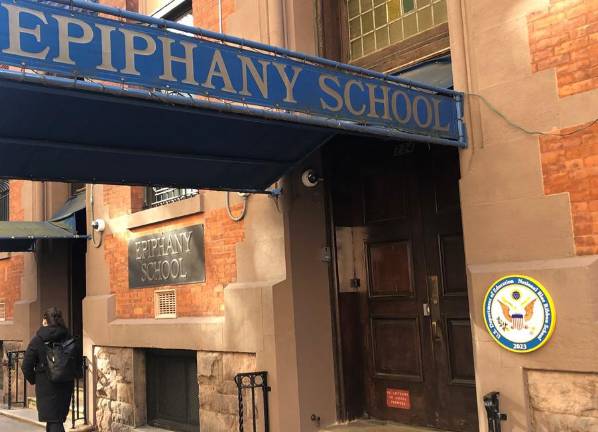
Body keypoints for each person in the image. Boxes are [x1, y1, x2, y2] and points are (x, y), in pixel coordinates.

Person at [21, 307, 76, 432]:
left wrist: (35, 379)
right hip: (65, 384)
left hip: (45, 385)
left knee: (53, 421)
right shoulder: (67, 336)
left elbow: (26, 366)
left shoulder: (38, 339)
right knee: (56, 420)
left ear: (45, 321)